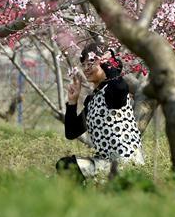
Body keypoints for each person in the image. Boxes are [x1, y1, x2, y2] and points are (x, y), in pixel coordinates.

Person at [56, 41, 144, 181]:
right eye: (84, 65)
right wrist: (72, 102)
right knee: (65, 165)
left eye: (91, 63)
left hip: (126, 162)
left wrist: (109, 62)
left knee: (70, 167)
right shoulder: (92, 99)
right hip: (104, 163)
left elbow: (119, 87)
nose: (86, 68)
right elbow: (71, 132)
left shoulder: (112, 90)